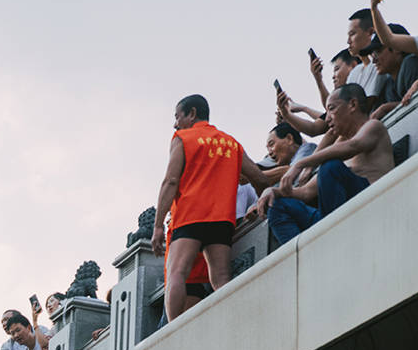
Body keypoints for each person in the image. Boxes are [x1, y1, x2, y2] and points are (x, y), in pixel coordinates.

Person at [149, 94, 279, 320]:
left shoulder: (183, 138)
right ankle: (231, 321)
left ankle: (172, 331)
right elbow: (259, 178)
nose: (175, 123)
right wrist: (263, 198)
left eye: (177, 117)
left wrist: (158, 225)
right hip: (222, 219)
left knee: (177, 272)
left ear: (191, 113)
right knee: (220, 278)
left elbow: (170, 181)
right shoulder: (230, 142)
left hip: (190, 216)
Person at [264, 84, 396, 222]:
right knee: (277, 207)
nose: (327, 119)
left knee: (330, 166)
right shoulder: (338, 145)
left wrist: (300, 164)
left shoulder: (373, 126)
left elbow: (353, 146)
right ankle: (326, 237)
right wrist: (275, 191)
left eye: (331, 109)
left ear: (352, 104)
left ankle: (333, 233)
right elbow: (307, 192)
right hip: (337, 216)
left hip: (372, 205)